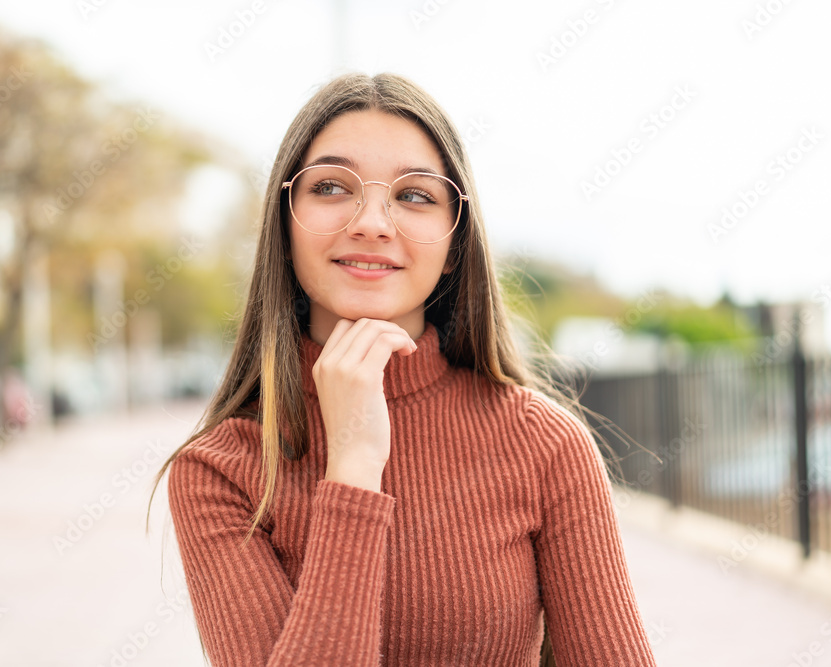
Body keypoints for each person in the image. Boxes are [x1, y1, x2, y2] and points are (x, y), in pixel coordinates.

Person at [147, 72, 658, 666]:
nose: (372, 222)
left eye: (415, 196)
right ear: (284, 229)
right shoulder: (220, 472)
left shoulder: (545, 445)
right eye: (333, 187)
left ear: (453, 245)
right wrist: (354, 467)